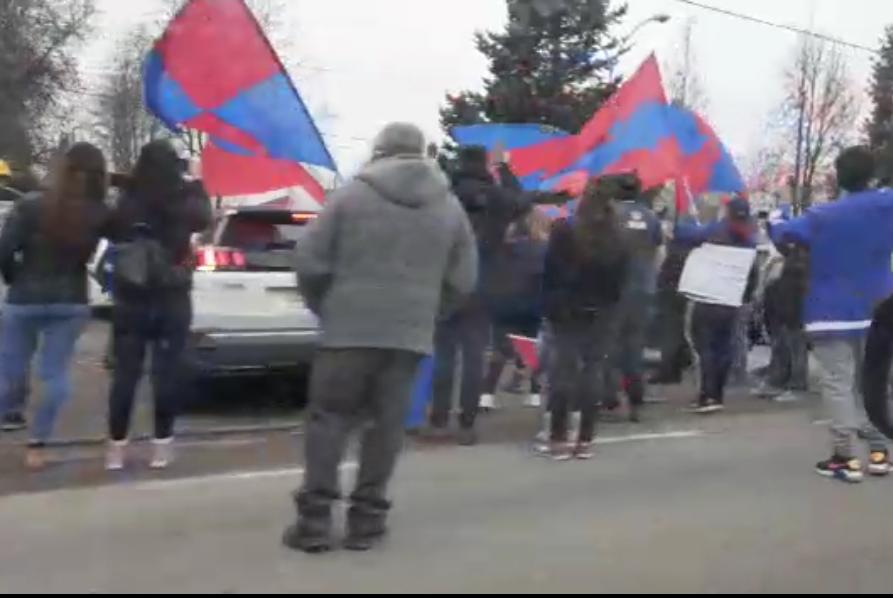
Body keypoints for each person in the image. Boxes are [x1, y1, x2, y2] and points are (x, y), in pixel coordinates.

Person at [284, 123, 477, 553]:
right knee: (386, 426)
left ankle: (314, 522)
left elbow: (310, 260)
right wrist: (427, 314)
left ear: (380, 150)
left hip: (346, 330)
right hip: (408, 336)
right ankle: (367, 522)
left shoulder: (350, 196)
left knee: (329, 420)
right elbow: (463, 278)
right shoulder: (449, 207)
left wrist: (326, 306)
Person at [428, 145, 565, 445]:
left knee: (445, 354)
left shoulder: (444, 194)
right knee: (475, 354)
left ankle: (438, 420)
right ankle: (467, 423)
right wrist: (504, 168)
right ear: (485, 165)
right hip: (485, 281)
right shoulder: (497, 197)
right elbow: (521, 200)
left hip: (445, 281)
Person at [772, 146, 893, 483]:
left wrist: (780, 210)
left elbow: (783, 233)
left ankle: (845, 457)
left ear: (840, 177)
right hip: (879, 306)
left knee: (838, 383)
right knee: (874, 382)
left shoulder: (822, 215)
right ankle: (880, 452)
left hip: (831, 310)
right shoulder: (887, 203)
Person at [103, 140, 212, 471]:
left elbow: (110, 231)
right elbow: (203, 219)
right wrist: (197, 181)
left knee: (125, 374)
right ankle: (161, 447)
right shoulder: (183, 198)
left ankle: (116, 450)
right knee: (166, 373)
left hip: (131, 296)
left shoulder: (128, 199)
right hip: (172, 296)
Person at [0, 143, 109, 469]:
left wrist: (15, 277)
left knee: (9, 370)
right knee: (54, 374)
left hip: (24, 298)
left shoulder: (31, 205)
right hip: (70, 299)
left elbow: (4, 249)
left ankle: (10, 414)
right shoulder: (98, 212)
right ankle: (37, 445)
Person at [542, 176, 630, 461]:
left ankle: (558, 437)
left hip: (566, 308)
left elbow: (550, 273)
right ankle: (585, 439)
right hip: (603, 310)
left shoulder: (563, 230)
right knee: (593, 371)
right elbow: (621, 280)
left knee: (562, 371)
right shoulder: (618, 237)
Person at [686, 197, 758, 414]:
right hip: (731, 299)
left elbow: (686, 235)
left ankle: (706, 394)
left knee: (704, 345)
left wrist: (688, 219)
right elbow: (752, 273)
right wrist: (745, 296)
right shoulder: (749, 238)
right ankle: (717, 394)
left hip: (708, 295)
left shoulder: (715, 231)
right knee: (724, 346)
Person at [481, 209, 551, 407]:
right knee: (529, 350)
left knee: (499, 351)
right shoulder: (547, 249)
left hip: (505, 304)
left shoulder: (505, 248)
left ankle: (486, 395)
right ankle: (534, 394)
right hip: (533, 306)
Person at [608, 175, 662, 422]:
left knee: (609, 347)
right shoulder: (650, 217)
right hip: (643, 290)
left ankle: (611, 399)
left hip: (615, 290)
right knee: (634, 346)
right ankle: (635, 400)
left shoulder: (610, 215)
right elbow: (658, 250)